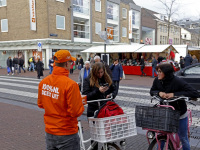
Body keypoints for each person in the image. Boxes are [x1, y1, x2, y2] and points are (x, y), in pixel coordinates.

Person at [37, 50, 84, 150]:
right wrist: (80, 103)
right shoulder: (71, 85)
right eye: (71, 62)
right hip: (67, 133)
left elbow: (41, 104)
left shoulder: (44, 82)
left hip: (50, 132)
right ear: (67, 63)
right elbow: (76, 111)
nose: (71, 64)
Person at [150, 63, 199, 150]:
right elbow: (152, 91)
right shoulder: (157, 80)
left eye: (160, 71)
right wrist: (159, 93)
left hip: (179, 113)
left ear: (166, 73)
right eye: (157, 71)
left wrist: (174, 94)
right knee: (161, 136)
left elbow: (195, 93)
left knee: (183, 138)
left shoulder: (177, 81)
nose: (157, 73)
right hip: (165, 112)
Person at [82, 62, 117, 150]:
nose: (100, 74)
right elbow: (86, 96)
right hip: (93, 110)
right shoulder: (88, 80)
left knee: (107, 133)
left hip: (105, 109)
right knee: (95, 136)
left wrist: (111, 94)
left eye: (101, 72)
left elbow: (114, 89)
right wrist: (98, 91)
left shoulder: (106, 77)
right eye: (98, 73)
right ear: (94, 72)